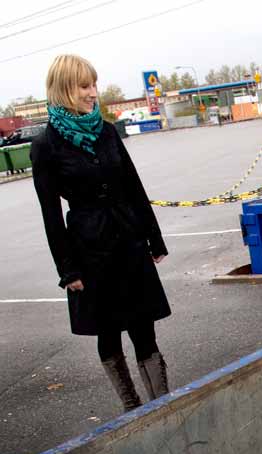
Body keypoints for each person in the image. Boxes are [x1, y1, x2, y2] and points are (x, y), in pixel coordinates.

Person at [31, 54, 172, 413]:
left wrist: (153, 237)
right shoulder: (45, 145)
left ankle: (163, 406)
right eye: (84, 86)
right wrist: (68, 269)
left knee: (144, 327)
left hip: (128, 240)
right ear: (64, 89)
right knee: (108, 333)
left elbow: (133, 186)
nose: (93, 92)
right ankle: (131, 408)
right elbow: (51, 214)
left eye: (94, 84)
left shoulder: (107, 131)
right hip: (89, 251)